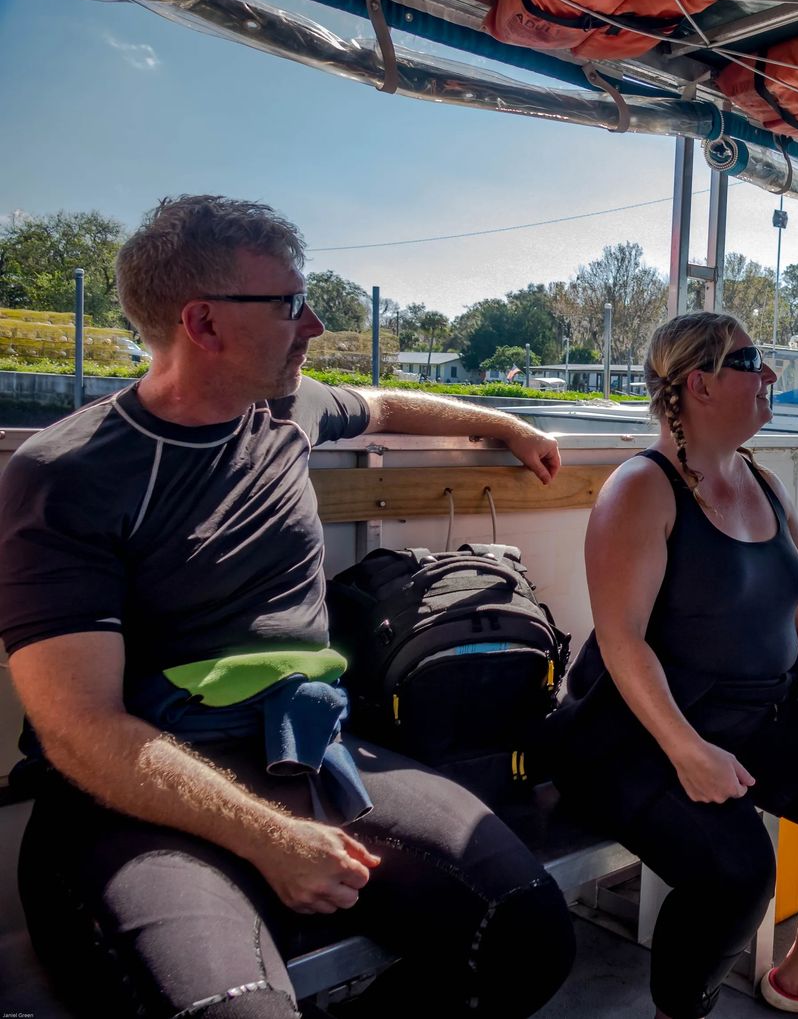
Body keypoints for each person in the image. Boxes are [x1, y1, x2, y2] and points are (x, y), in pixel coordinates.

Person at [0, 195, 576, 1019]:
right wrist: (268, 838)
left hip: (309, 750)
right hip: (134, 793)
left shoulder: (287, 408)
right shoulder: (69, 473)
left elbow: (387, 403)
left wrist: (506, 424)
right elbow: (80, 728)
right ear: (202, 323)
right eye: (290, 304)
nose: (312, 325)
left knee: (527, 935)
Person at [551, 312, 798, 1019]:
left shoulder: (764, 482)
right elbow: (622, 639)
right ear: (700, 383)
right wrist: (688, 750)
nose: (772, 376)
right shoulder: (641, 489)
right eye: (753, 361)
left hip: (755, 719)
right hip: (635, 736)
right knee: (738, 871)